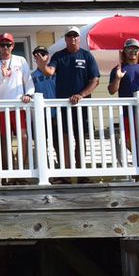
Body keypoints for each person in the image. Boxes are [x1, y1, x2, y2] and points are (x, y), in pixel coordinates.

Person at [39, 27, 100, 176]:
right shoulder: (59, 56)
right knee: (64, 137)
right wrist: (42, 65)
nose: (72, 39)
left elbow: (95, 80)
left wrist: (81, 95)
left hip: (81, 105)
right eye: (69, 36)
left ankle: (81, 173)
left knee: (80, 138)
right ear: (65, 38)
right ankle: (66, 174)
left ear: (79, 38)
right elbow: (50, 72)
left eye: (75, 36)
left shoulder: (87, 56)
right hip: (63, 105)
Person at [0, 33, 34, 178]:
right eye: (2, 45)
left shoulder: (21, 60)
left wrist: (29, 94)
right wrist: (2, 76)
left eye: (8, 45)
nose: (5, 48)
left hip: (18, 106)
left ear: (12, 46)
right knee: (4, 141)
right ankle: (10, 174)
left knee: (24, 137)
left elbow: (29, 82)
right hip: (0, 108)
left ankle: (21, 170)